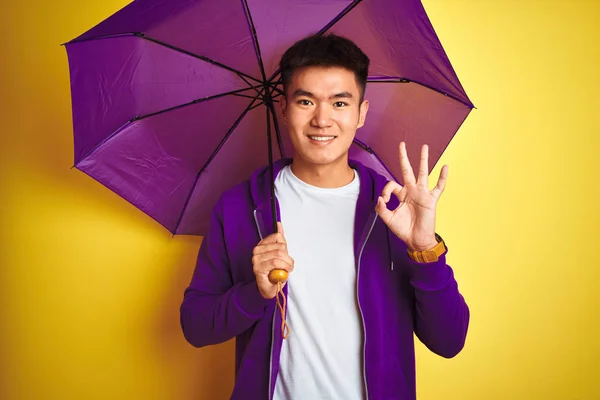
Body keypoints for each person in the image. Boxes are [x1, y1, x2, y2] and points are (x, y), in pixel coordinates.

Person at [180, 33, 469, 400]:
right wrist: (256, 293)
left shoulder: (393, 207)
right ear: (284, 109)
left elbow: (449, 341)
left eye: (339, 102)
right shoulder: (240, 207)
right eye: (305, 101)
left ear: (361, 113)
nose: (322, 119)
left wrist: (425, 249)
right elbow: (196, 326)